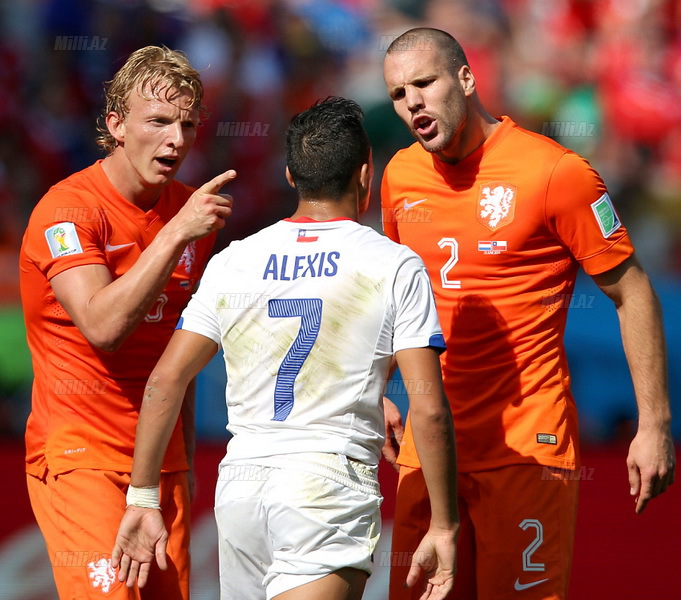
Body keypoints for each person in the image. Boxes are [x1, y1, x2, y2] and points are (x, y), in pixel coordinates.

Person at [111, 97, 459, 600]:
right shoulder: (394, 264)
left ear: (291, 176)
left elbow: (166, 380)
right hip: (326, 486)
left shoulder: (234, 260)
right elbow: (428, 410)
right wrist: (444, 526)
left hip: (242, 485)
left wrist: (142, 497)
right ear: (366, 175)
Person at [380, 27, 676, 600]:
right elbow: (398, 298)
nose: (412, 101)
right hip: (428, 453)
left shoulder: (556, 173)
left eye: (424, 82)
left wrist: (654, 423)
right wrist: (378, 388)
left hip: (525, 451)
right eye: (397, 93)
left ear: (466, 79)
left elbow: (632, 290)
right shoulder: (399, 177)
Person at [19, 45, 234, 599]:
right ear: (116, 124)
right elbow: (103, 328)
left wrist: (183, 465)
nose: (177, 140)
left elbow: (178, 355)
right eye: (158, 121)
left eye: (187, 124)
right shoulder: (67, 211)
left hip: (161, 467)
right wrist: (173, 235)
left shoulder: (192, 216)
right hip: (81, 456)